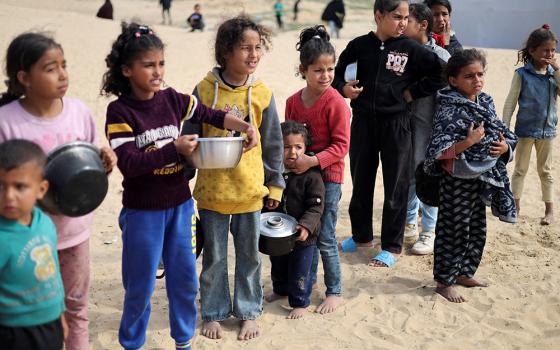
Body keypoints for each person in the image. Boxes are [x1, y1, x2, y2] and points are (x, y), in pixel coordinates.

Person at [101, 23, 257, 350]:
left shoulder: (173, 99)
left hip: (181, 206)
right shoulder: (120, 112)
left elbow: (211, 114)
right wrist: (175, 150)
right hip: (143, 212)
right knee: (140, 286)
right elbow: (129, 163)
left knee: (184, 281)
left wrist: (244, 126)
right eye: (148, 65)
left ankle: (183, 342)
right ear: (127, 70)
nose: (157, 72)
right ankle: (132, 343)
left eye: (161, 64)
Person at [0, 32, 116, 350]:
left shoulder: (78, 111)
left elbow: (88, 162)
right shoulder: (7, 122)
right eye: (51, 68)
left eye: (64, 65)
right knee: (30, 312)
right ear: (24, 77)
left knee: (76, 307)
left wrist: (105, 159)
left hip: (74, 231)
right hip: (24, 239)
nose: (63, 74)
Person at [184, 15, 284, 341]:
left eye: (258, 48)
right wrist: (182, 172)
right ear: (226, 52)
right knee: (213, 256)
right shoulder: (203, 90)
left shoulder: (263, 94)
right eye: (245, 48)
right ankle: (213, 312)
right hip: (212, 192)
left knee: (249, 257)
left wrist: (276, 185)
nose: (253, 55)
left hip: (249, 190)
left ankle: (248, 311)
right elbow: (190, 135)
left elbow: (272, 144)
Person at [334, 0, 444, 267]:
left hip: (397, 124)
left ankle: (392, 246)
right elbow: (337, 76)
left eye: (406, 18)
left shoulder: (411, 48)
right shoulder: (359, 45)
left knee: (396, 184)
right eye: (397, 17)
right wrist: (343, 89)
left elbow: (442, 73)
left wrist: (412, 92)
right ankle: (361, 237)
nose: (403, 23)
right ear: (378, 16)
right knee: (361, 181)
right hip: (362, 122)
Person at [424, 48, 517, 303]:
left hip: (483, 174)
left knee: (477, 228)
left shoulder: (484, 100)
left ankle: (465, 273)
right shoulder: (448, 106)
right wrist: (469, 142)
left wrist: (505, 147)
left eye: (480, 75)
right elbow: (438, 149)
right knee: (453, 230)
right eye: (469, 76)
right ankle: (444, 281)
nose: (476, 81)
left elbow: (500, 129)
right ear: (453, 80)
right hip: (456, 178)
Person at [285, 25, 350, 313]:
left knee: (324, 235)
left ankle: (334, 290)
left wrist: (312, 161)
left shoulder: (335, 102)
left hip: (329, 178)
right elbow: (288, 139)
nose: (326, 76)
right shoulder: (291, 102)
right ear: (303, 70)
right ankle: (305, 285)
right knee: (303, 233)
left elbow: (341, 146)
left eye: (330, 69)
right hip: (301, 180)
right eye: (318, 70)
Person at [0, 140, 66, 350]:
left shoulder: (45, 223)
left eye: (20, 186)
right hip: (12, 332)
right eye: (0, 186)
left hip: (50, 325)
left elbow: (54, 273)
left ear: (41, 189)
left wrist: (60, 315)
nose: (9, 196)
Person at [264, 121, 325, 319]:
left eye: (298, 147)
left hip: (303, 236)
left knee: (300, 269)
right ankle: (280, 290)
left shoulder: (312, 175)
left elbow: (316, 206)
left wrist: (306, 226)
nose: (293, 152)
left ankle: (300, 302)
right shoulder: (274, 173)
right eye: (286, 147)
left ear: (306, 148)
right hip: (279, 235)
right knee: (278, 263)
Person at [403, 2, 450, 255]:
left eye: (406, 20)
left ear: (422, 25)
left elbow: (451, 101)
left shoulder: (441, 58)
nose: (401, 24)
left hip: (429, 131)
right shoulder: (398, 54)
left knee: (428, 178)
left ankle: (428, 232)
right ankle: (409, 224)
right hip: (403, 130)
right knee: (407, 178)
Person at [503, 24, 558, 226]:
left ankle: (549, 210)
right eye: (545, 50)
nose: (550, 54)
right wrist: (505, 126)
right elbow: (510, 102)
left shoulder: (554, 75)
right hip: (525, 131)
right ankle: (515, 206)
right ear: (532, 51)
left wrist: (557, 69)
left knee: (546, 171)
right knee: (520, 170)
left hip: (548, 130)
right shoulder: (522, 74)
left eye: (553, 50)